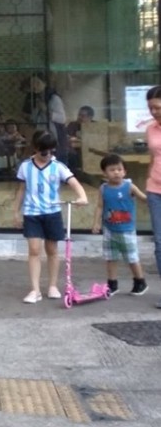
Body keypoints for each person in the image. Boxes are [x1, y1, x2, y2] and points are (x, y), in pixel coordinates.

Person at [12, 130, 88, 304]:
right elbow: (21, 190)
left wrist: (82, 196)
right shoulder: (25, 166)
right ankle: (35, 290)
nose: (47, 154)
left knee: (52, 250)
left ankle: (52, 285)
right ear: (35, 148)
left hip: (52, 212)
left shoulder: (58, 166)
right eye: (43, 151)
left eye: (51, 151)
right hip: (32, 213)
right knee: (34, 250)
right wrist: (16, 212)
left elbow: (74, 183)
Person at [91, 154, 149, 296]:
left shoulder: (129, 187)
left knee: (132, 257)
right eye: (112, 170)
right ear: (104, 173)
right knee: (111, 258)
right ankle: (112, 284)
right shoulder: (103, 188)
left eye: (119, 169)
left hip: (127, 230)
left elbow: (144, 198)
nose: (116, 172)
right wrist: (96, 222)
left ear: (125, 171)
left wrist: (154, 199)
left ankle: (140, 281)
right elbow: (100, 206)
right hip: (109, 230)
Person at [143, 86, 161, 309]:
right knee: (159, 243)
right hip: (155, 190)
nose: (154, 112)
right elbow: (153, 157)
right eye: (150, 108)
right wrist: (149, 178)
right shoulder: (151, 129)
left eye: (157, 107)